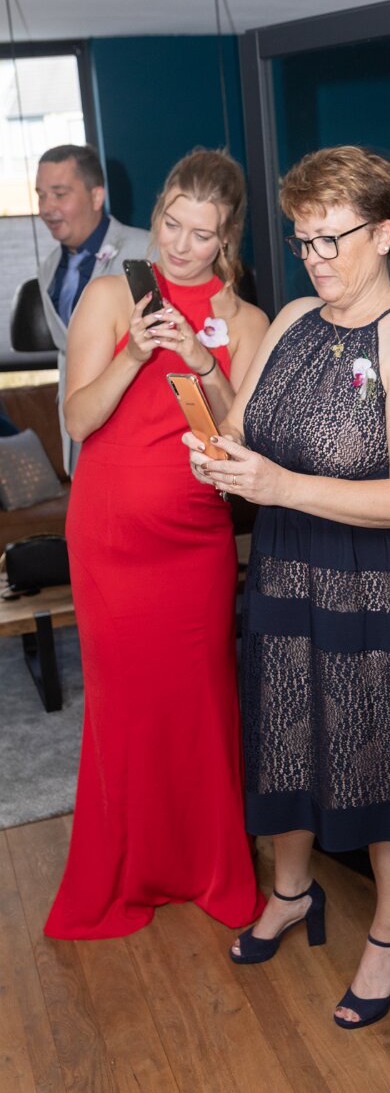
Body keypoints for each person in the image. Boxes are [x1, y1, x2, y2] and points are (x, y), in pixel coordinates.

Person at [184, 145, 390, 1028]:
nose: (314, 258)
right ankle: (292, 892)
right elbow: (244, 425)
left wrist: (277, 486)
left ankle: (389, 935)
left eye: (331, 239)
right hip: (289, 573)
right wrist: (217, 444)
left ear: (382, 235)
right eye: (302, 239)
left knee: (383, 758)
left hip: (378, 586)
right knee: (286, 737)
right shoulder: (292, 319)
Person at [44, 148, 269, 940]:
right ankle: (126, 872)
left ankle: (207, 867)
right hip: (109, 539)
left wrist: (202, 359)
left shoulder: (248, 322)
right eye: (172, 225)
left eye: (201, 234)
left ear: (226, 238)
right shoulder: (113, 294)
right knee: (125, 711)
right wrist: (135, 353)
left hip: (195, 540)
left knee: (200, 706)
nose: (179, 246)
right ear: (159, 214)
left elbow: (243, 435)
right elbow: (78, 420)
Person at [35, 143, 151, 476]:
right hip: (79, 437)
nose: (47, 208)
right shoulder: (48, 268)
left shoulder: (146, 249)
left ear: (96, 196)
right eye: (41, 195)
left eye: (59, 194)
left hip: (136, 437)